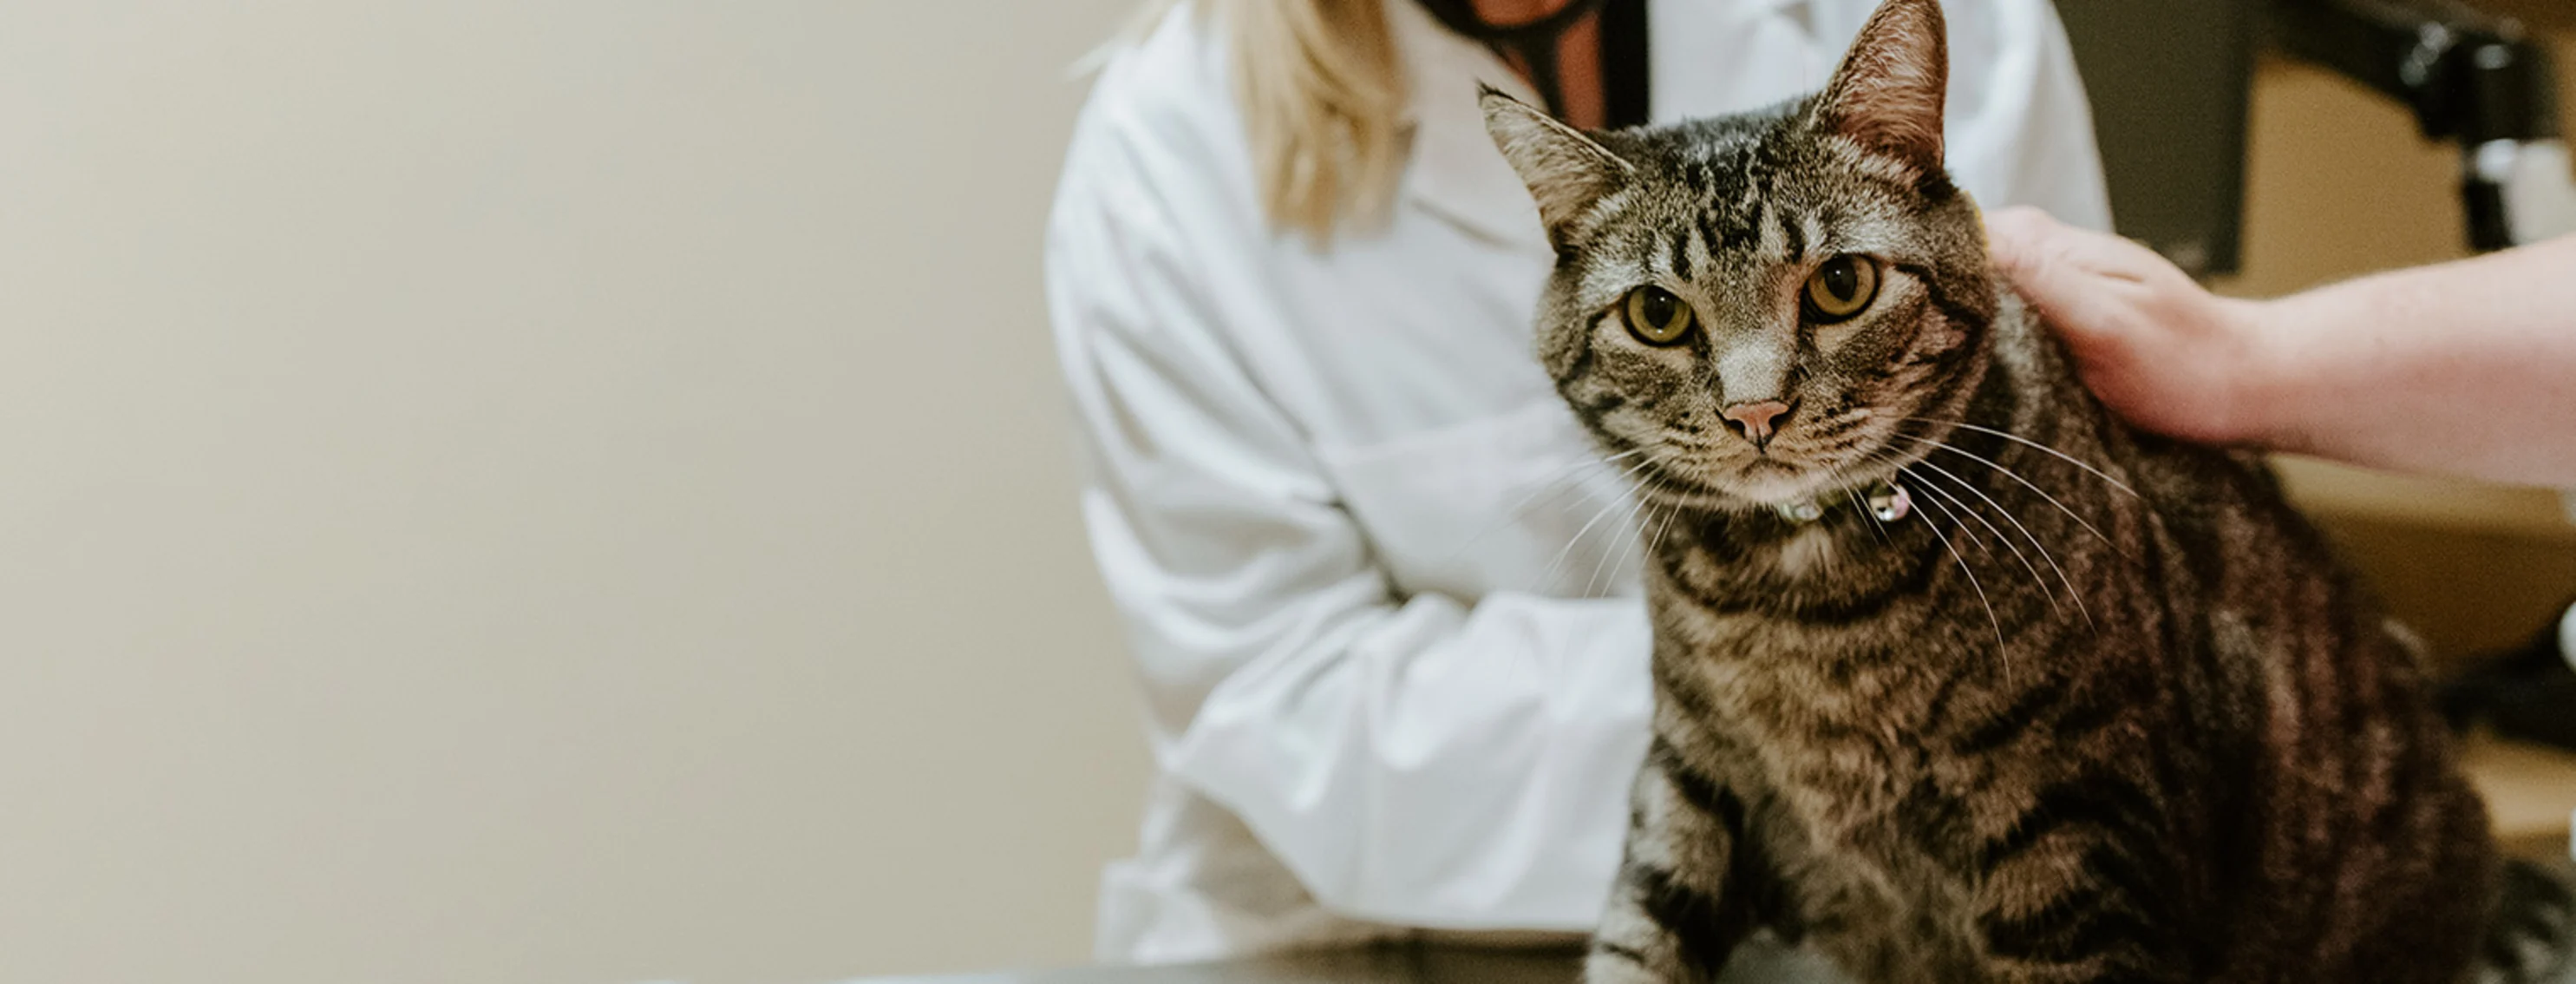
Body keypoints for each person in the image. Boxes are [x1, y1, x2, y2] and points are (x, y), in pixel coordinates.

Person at [1043, 0, 2114, 966]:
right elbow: (1285, 704)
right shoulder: (1168, 153)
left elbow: (2071, 505)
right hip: (1369, 921)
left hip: (1932, 899)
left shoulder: (1964, 22)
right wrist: (1806, 696)